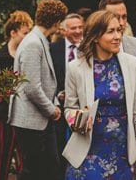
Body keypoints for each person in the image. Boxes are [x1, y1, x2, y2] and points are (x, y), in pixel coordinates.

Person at [61, 10, 136, 179]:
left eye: (119, 30)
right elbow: (69, 107)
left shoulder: (131, 64)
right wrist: (77, 118)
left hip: (122, 150)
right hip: (87, 150)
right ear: (95, 36)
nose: (118, 36)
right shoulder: (75, 68)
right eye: (111, 31)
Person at [8, 0, 68, 180]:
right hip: (31, 121)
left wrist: (56, 98)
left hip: (37, 119)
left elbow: (43, 82)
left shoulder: (39, 40)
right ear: (57, 22)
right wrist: (52, 110)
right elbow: (31, 87)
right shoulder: (33, 43)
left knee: (46, 169)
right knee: (37, 171)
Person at [98, 0, 136, 179]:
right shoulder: (89, 50)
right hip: (103, 133)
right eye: (116, 17)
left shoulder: (133, 44)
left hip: (135, 129)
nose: (121, 23)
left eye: (124, 17)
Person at [0, 11, 32, 180]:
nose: (28, 37)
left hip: (25, 115)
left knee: (24, 159)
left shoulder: (28, 55)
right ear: (13, 33)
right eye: (25, 33)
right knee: (3, 156)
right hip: (4, 115)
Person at [50, 13, 84, 171]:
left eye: (80, 27)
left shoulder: (88, 48)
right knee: (60, 151)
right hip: (60, 110)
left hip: (83, 109)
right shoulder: (53, 49)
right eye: (73, 28)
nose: (78, 31)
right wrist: (58, 94)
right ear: (63, 31)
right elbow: (49, 77)